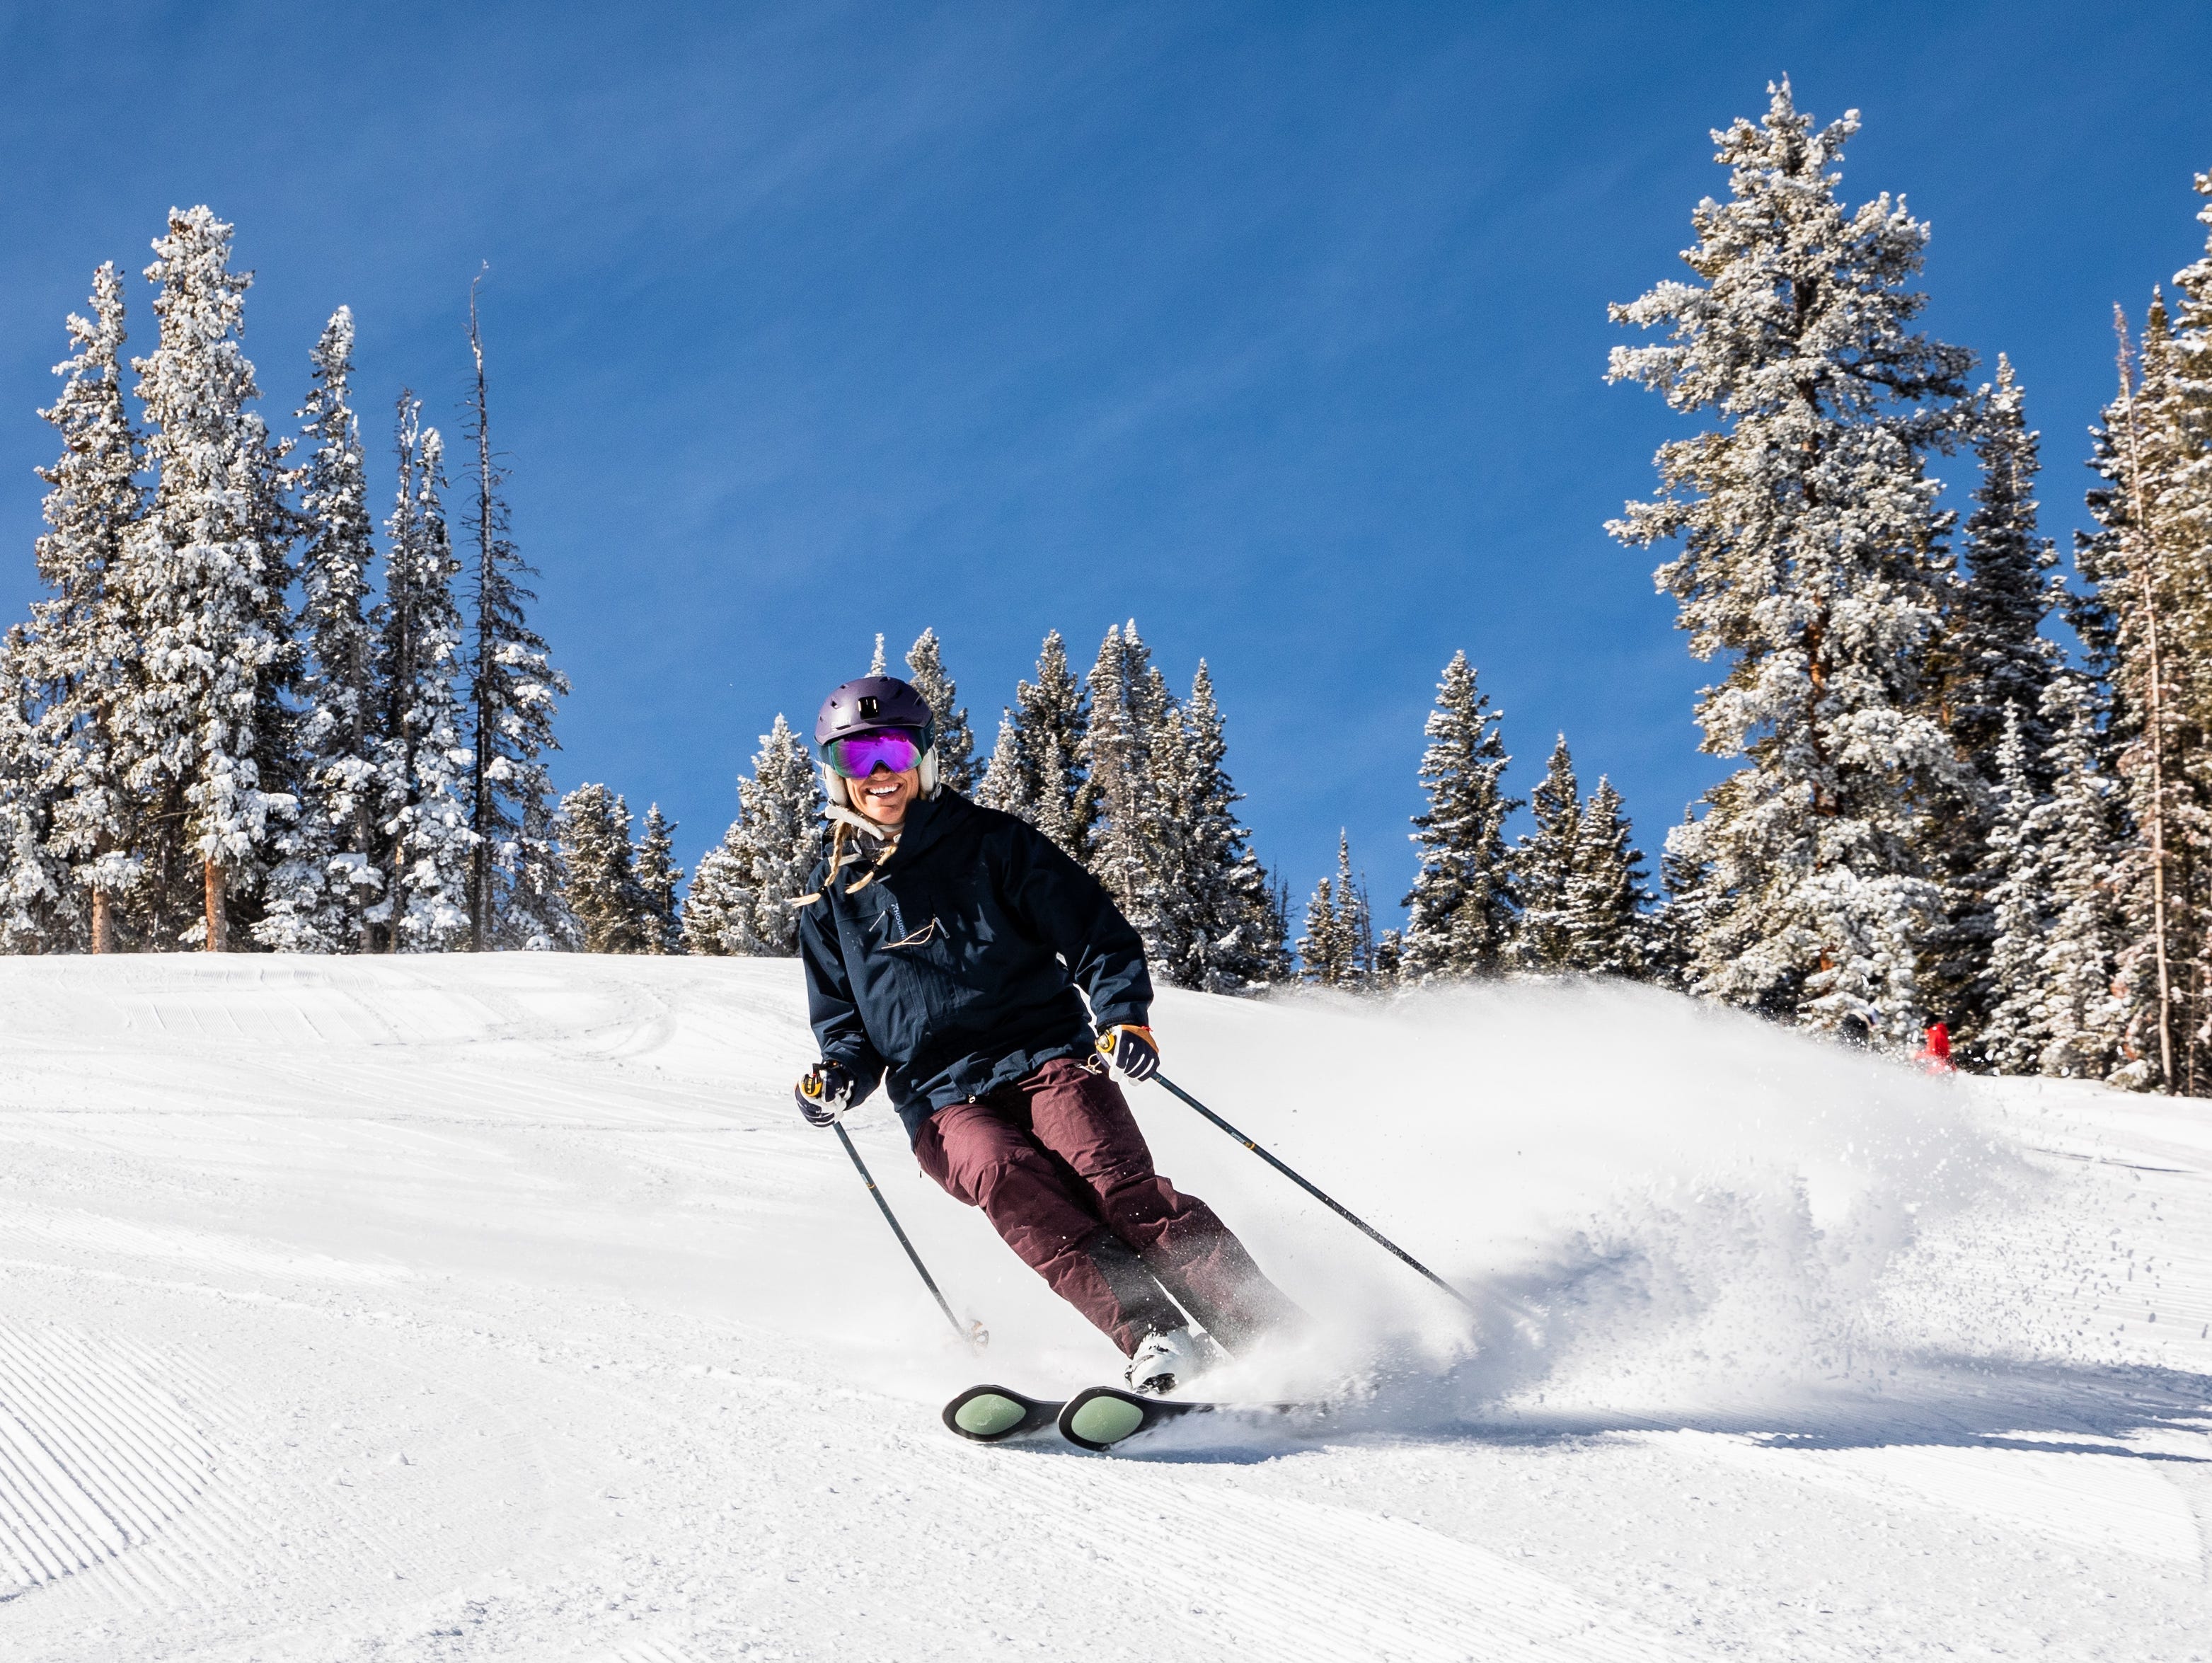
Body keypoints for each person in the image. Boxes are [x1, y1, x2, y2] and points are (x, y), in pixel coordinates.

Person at [791, 674, 1300, 1394]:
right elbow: (845, 1023)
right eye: (856, 759)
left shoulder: (992, 844)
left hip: (1046, 1054)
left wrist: (1123, 1011)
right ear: (834, 774)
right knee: (1009, 1181)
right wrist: (838, 1075)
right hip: (939, 1101)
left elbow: (1093, 929)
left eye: (894, 752)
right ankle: (1156, 1334)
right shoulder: (832, 902)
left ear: (925, 758)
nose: (878, 776)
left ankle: (1272, 1336)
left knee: (1122, 1191)